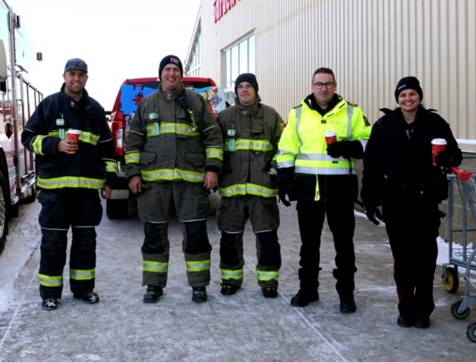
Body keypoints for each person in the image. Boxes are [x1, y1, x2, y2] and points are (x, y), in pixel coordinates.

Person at [361, 76, 462, 328]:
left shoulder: (435, 123)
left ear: (419, 96)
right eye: (403, 95)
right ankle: (405, 308)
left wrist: (444, 158)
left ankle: (423, 309)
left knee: (425, 256)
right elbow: (371, 165)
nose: (408, 99)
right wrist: (370, 198)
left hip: (425, 198)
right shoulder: (384, 125)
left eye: (412, 94)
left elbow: (456, 155)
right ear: (397, 99)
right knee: (403, 257)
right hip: (395, 198)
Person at [125, 55, 223, 303]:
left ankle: (199, 285)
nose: (171, 73)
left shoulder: (195, 102)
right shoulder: (146, 104)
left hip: (191, 183)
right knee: (154, 235)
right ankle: (153, 286)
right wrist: (133, 174)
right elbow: (133, 141)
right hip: (153, 184)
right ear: (161, 74)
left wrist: (212, 169)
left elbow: (213, 136)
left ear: (181, 74)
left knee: (196, 235)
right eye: (167, 69)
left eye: (175, 69)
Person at [21, 58, 116, 311]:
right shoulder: (50, 105)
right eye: (72, 74)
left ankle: (83, 290)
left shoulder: (95, 110)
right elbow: (28, 137)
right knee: (53, 244)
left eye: (81, 75)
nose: (76, 79)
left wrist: (109, 181)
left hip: (86, 193)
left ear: (87, 78)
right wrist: (56, 145)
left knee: (86, 242)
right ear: (64, 76)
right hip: (55, 192)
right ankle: (50, 294)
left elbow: (107, 149)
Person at [275, 67, 372, 312]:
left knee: (344, 244)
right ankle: (308, 289)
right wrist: (284, 179)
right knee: (309, 244)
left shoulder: (352, 111)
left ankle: (346, 294)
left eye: (328, 84)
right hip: (308, 189)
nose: (323, 88)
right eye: (319, 84)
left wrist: (348, 147)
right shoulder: (297, 114)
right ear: (312, 86)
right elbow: (286, 148)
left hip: (341, 189)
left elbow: (368, 141)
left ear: (335, 85)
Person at [216, 73, 285, 298]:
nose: (244, 90)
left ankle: (268, 282)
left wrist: (274, 171)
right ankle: (230, 280)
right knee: (229, 238)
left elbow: (284, 147)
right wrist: (218, 173)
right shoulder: (224, 118)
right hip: (232, 191)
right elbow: (214, 148)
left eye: (249, 86)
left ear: (256, 89)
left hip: (262, 192)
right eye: (240, 87)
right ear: (236, 91)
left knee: (267, 239)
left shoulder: (271, 116)